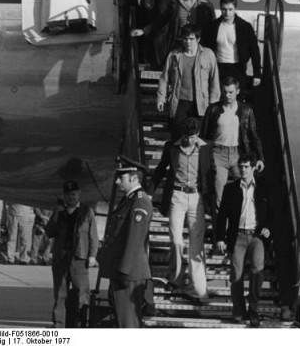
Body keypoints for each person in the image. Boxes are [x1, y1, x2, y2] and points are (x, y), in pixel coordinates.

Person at [150, 117, 212, 300]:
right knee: (176, 239)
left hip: (197, 197)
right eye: (186, 136)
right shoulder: (172, 147)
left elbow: (211, 173)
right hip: (177, 196)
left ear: (197, 134)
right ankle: (176, 278)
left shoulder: (206, 147)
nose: (189, 140)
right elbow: (161, 169)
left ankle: (199, 290)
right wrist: (149, 192)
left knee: (196, 245)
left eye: (192, 137)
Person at [200, 76, 264, 231]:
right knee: (220, 197)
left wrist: (260, 157)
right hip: (218, 153)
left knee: (246, 191)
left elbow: (253, 135)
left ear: (237, 91)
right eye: (225, 92)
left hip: (238, 154)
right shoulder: (213, 109)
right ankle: (220, 236)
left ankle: (242, 229)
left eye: (230, 92)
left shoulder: (246, 111)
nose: (227, 95)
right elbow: (204, 135)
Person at [216, 153, 270, 327]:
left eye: (247, 166)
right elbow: (222, 214)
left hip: (256, 236)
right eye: (241, 167)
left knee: (258, 270)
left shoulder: (263, 186)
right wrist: (219, 238)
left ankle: (253, 308)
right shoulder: (230, 188)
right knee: (236, 275)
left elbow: (273, 211)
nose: (243, 170)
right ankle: (239, 311)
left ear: (253, 168)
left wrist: (269, 228)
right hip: (237, 236)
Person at [99, 163, 152, 328]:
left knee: (128, 323)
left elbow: (134, 240)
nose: (116, 182)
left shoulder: (139, 202)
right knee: (123, 321)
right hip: (122, 271)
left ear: (134, 178)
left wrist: (124, 270)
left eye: (121, 177)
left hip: (129, 273)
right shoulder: (129, 200)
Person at [44, 181, 98, 328]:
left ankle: (80, 322)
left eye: (74, 194)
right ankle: (58, 324)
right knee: (60, 294)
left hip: (79, 258)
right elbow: (49, 232)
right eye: (68, 195)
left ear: (79, 194)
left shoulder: (87, 211)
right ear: (64, 196)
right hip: (61, 258)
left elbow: (93, 235)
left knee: (81, 292)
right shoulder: (59, 212)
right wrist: (56, 214)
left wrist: (92, 255)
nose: (71, 198)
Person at [139, 0, 216, 69]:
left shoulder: (207, 7)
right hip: (178, 45)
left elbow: (213, 29)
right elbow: (162, 20)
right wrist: (144, 30)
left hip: (198, 48)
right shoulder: (176, 4)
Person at [157, 23, 220, 140]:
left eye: (191, 39)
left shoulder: (208, 54)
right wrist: (161, 98)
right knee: (178, 136)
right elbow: (164, 78)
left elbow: (214, 80)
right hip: (179, 102)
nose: (188, 42)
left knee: (199, 138)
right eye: (185, 38)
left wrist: (214, 103)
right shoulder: (174, 55)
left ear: (198, 39)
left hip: (200, 104)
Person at [202, 0, 262, 95]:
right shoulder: (213, 26)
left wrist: (257, 74)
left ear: (235, 9)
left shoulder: (245, 27)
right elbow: (205, 48)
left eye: (230, 9)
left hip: (237, 68)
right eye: (224, 9)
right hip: (218, 67)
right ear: (220, 8)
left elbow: (254, 51)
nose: (227, 13)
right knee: (218, 96)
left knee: (236, 98)